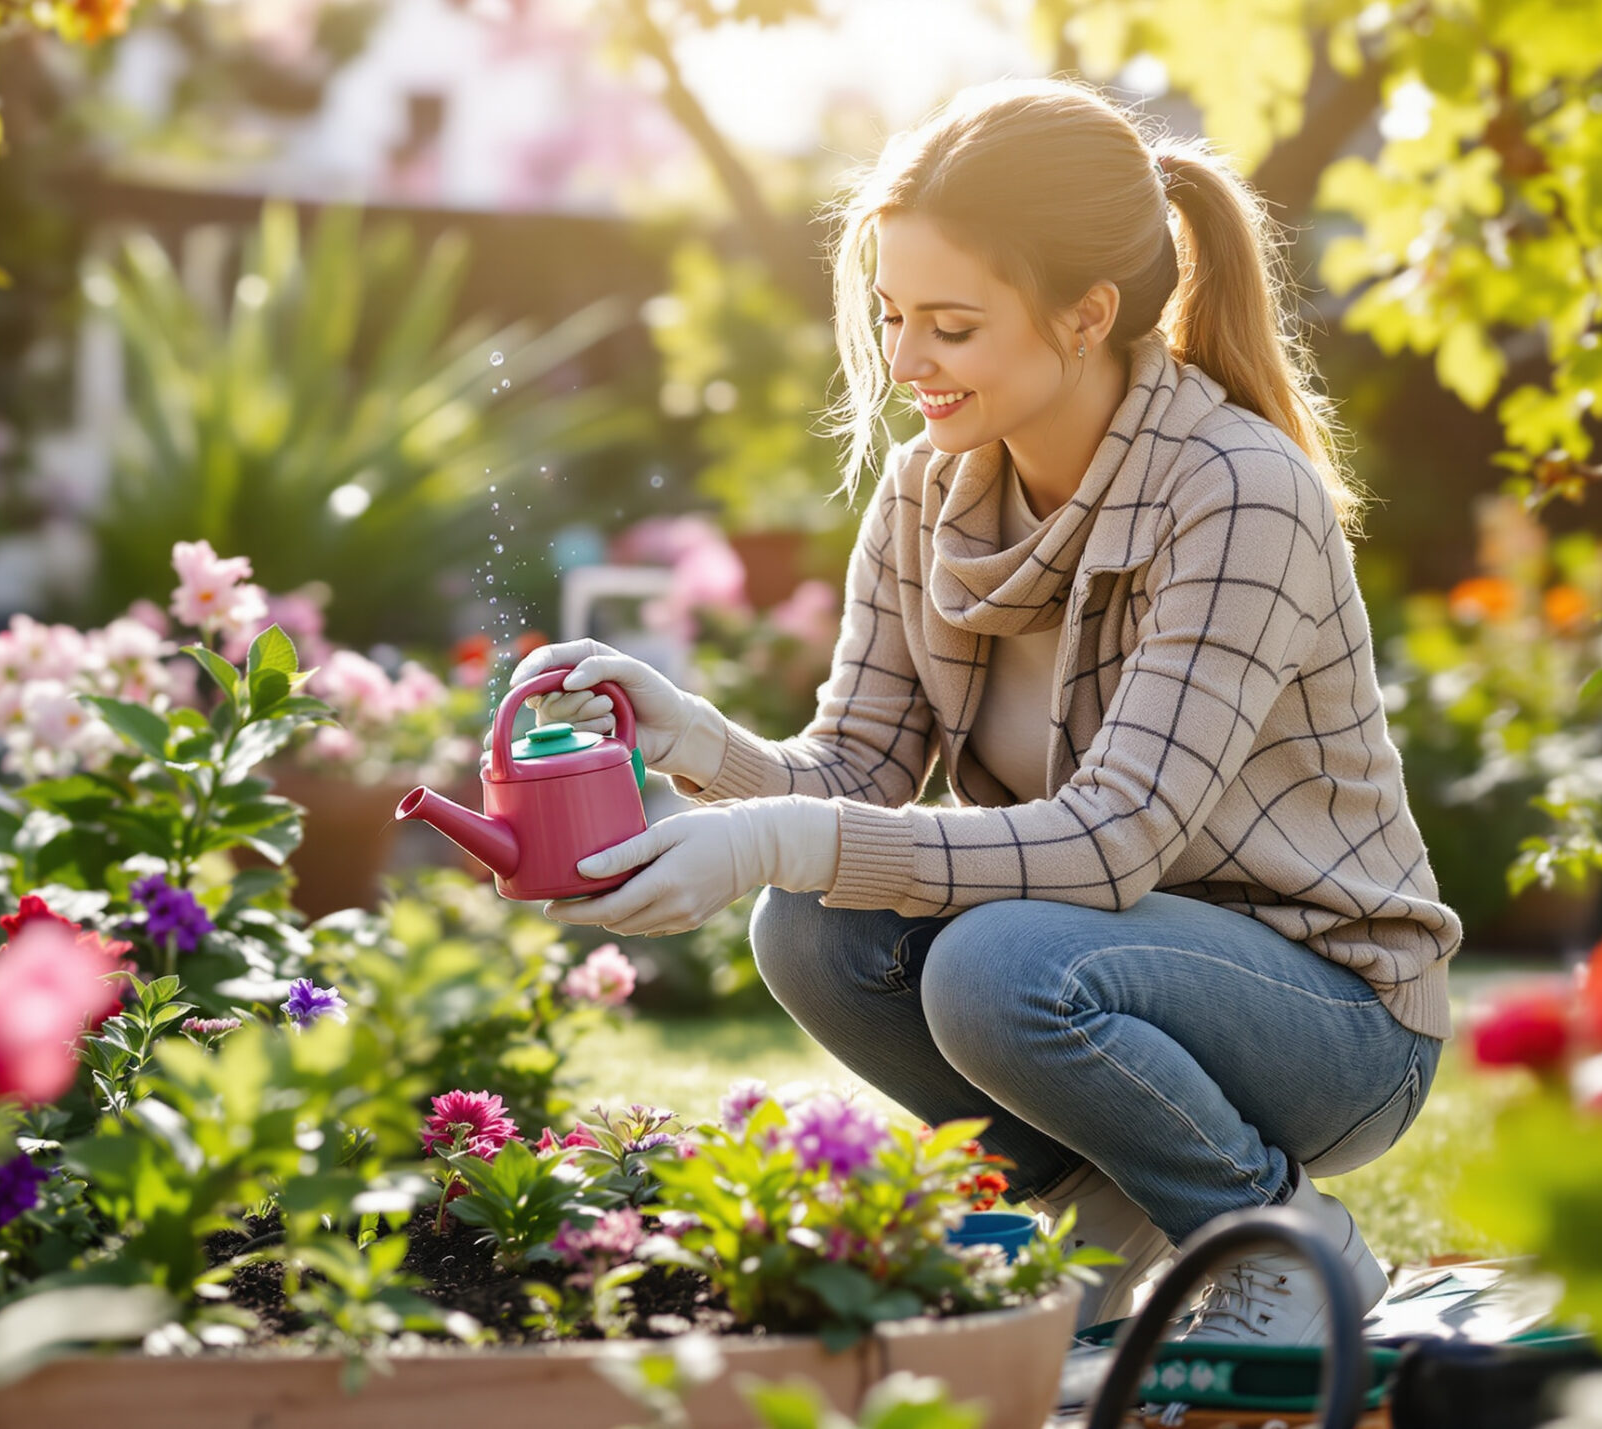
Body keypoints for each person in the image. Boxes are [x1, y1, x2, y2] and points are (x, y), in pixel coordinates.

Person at [513, 77, 1460, 1347]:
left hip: (1333, 1020)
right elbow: (852, 773)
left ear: (1086, 315)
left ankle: (1277, 1240)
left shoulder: (1237, 490)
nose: (905, 362)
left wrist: (767, 839)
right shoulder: (926, 492)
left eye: (950, 326)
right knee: (812, 928)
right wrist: (685, 733)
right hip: (1100, 968)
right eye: (894, 315)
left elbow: (1113, 837)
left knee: (993, 963)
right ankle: (1087, 1211)